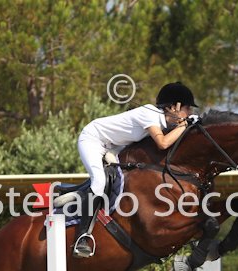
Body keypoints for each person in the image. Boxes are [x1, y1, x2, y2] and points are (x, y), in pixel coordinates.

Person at [73, 81, 199, 258]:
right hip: (93, 139)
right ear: (174, 107)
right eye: (188, 108)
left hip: (113, 147)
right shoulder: (149, 114)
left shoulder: (162, 122)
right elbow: (163, 143)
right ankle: (82, 237)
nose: (190, 113)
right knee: (99, 181)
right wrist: (185, 125)